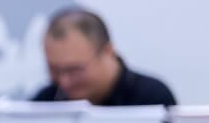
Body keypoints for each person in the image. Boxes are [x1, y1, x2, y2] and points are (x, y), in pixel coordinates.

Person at [32, 7, 176, 108]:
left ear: (108, 52)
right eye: (54, 70)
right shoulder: (44, 105)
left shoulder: (152, 101)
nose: (64, 82)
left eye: (74, 70)